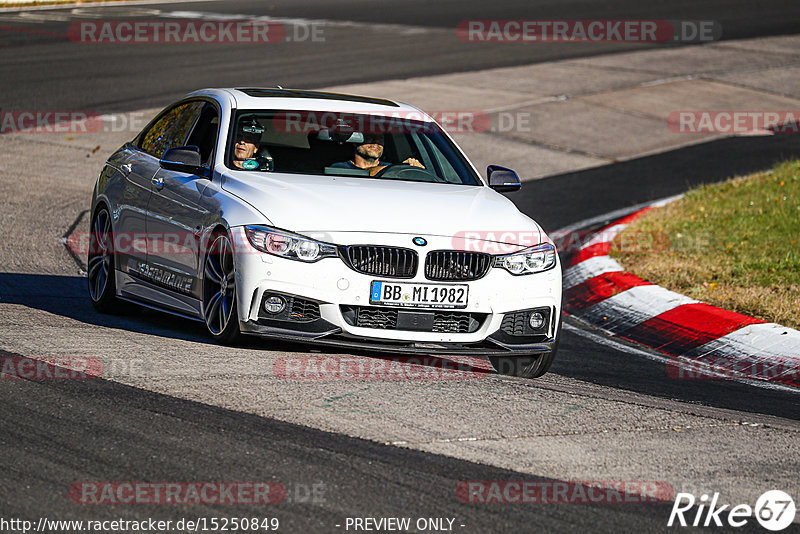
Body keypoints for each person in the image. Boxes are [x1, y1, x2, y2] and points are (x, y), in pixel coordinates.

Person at [331, 132, 424, 175]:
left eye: (380, 139)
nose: (376, 142)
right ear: (356, 142)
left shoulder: (394, 170)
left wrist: (412, 168)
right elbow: (362, 174)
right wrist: (399, 167)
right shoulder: (339, 168)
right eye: (370, 137)